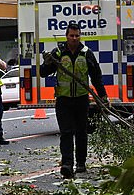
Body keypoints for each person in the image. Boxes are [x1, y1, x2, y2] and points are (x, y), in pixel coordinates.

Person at [40, 23, 107, 179]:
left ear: (80, 36)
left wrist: (103, 97)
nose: (74, 38)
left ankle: (81, 163)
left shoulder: (86, 53)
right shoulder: (57, 53)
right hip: (63, 100)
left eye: (77, 35)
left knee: (81, 132)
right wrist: (48, 62)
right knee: (66, 132)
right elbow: (43, 73)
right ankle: (67, 164)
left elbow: (96, 76)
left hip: (81, 99)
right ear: (66, 36)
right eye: (72, 35)